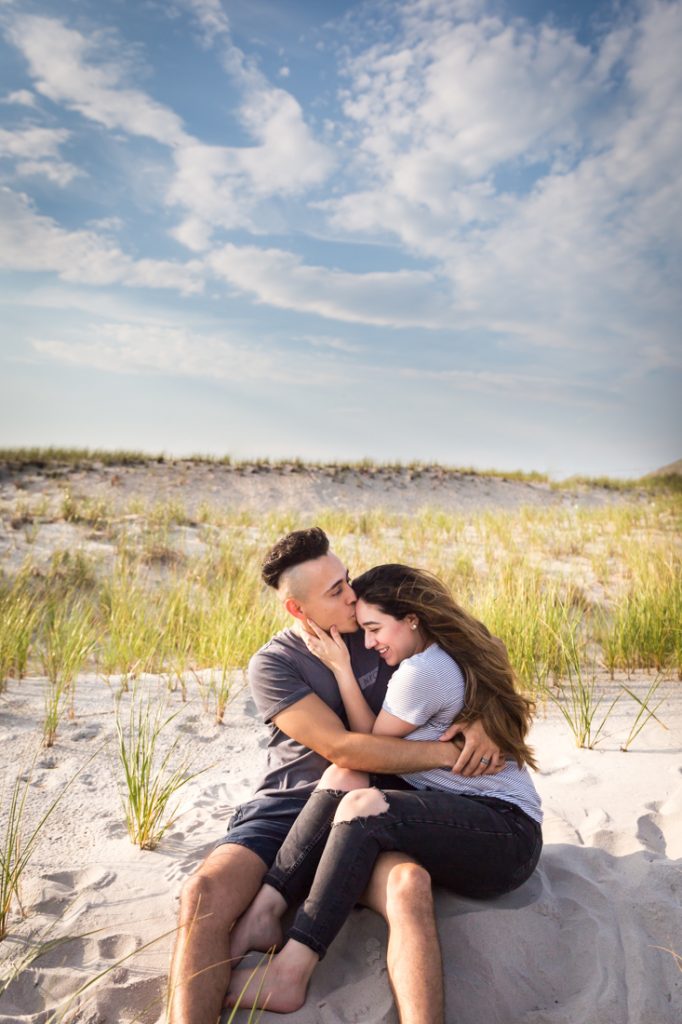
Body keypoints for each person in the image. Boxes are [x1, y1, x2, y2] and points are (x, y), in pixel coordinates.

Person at [168, 530, 503, 1024]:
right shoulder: (275, 663)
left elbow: (483, 647)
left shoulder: (380, 625)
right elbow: (341, 749)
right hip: (288, 807)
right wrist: (446, 752)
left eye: (345, 580)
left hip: (373, 811)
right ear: (297, 609)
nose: (351, 595)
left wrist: (483, 714)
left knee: (409, 884)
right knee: (202, 895)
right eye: (335, 592)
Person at [227, 563, 543, 1020]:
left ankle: (292, 969)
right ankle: (267, 907)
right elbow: (358, 757)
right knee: (343, 778)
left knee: (362, 804)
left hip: (505, 836)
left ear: (411, 618)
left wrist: (340, 670)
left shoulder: (424, 671)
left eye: (375, 629)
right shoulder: (444, 650)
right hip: (470, 816)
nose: (370, 642)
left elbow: (367, 742)